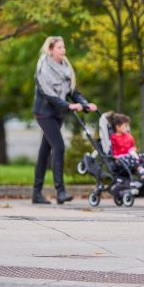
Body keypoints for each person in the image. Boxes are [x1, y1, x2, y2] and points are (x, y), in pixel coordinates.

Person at [32, 36, 97, 204]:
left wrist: (84, 104)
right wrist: (69, 106)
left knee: (44, 152)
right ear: (51, 49)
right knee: (58, 147)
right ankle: (60, 191)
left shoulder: (65, 67)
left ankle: (36, 194)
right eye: (59, 47)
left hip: (57, 114)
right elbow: (48, 94)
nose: (63, 50)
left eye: (63, 47)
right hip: (44, 112)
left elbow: (73, 91)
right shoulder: (43, 67)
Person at [109, 113, 144, 178]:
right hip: (120, 159)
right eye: (125, 126)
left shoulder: (128, 136)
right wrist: (115, 158)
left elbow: (132, 146)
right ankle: (141, 171)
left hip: (131, 157)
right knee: (131, 157)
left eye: (128, 126)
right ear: (117, 127)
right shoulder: (113, 137)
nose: (128, 128)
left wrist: (133, 150)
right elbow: (113, 149)